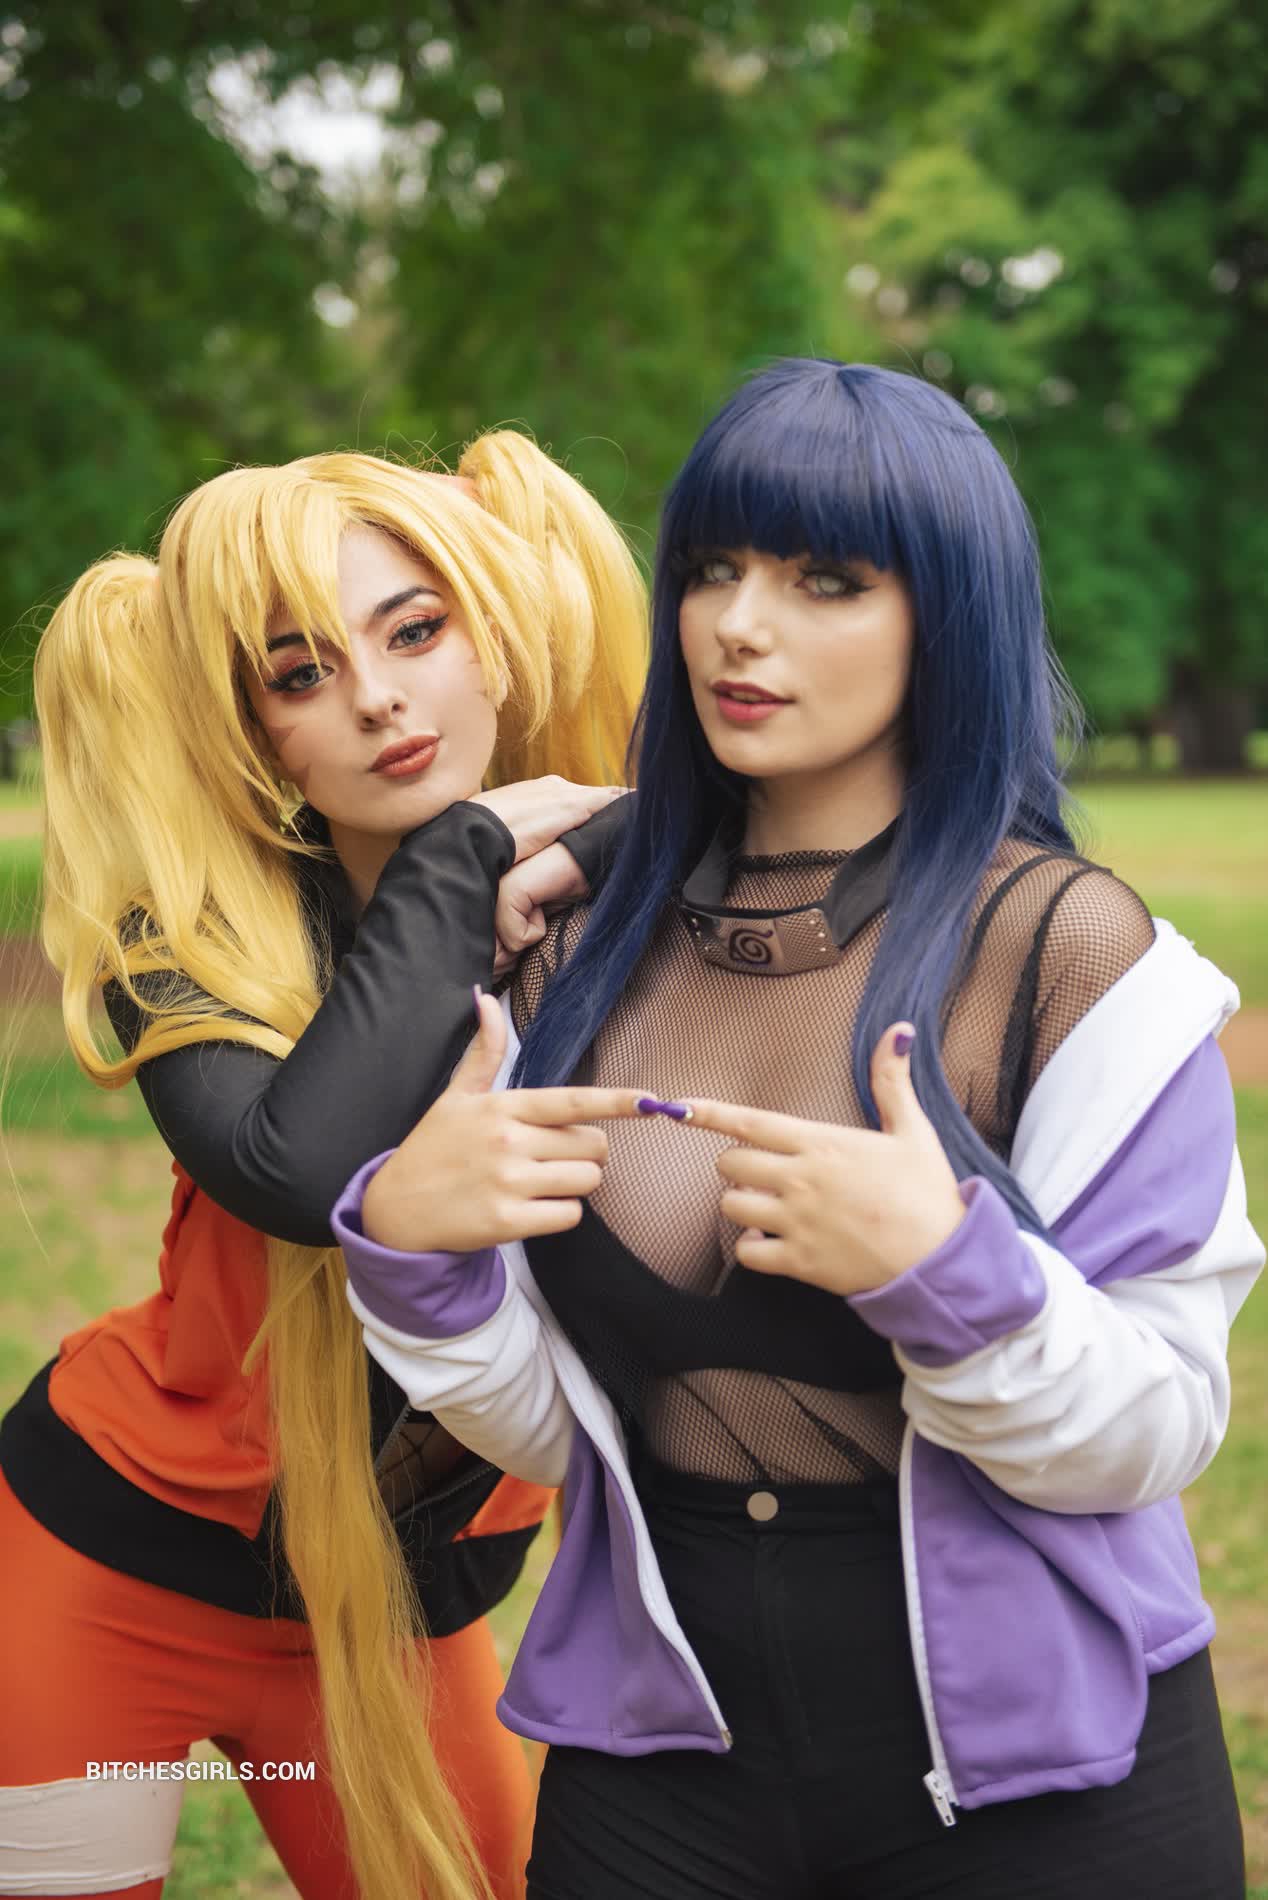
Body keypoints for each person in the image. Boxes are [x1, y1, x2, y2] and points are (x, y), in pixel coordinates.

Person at [332, 360, 1263, 1899]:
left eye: (826, 580)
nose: (738, 626)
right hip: (665, 1758)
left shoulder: (1071, 955)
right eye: (712, 569)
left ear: (945, 618)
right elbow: (565, 1433)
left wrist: (948, 1276)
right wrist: (420, 1261)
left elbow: (1156, 1428)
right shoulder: (570, 957)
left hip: (1040, 1772)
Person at [0, 433, 645, 1900]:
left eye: (416, 631)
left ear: (500, 633)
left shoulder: (626, 887)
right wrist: (454, 863)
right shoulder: (192, 942)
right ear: (252, 734)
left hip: (401, 1607)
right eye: (300, 675)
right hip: (114, 1568)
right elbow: (300, 1174)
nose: (377, 697)